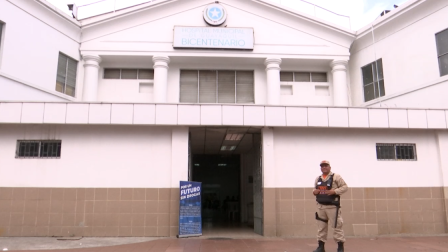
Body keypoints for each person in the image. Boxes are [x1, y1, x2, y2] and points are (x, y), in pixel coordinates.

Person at [312, 160, 348, 252]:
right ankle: (321, 247)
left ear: (329, 167)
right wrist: (314, 192)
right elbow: (315, 189)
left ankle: (340, 247)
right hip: (321, 207)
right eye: (322, 166)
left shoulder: (336, 177)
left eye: (326, 166)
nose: (324, 167)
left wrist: (334, 191)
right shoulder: (318, 178)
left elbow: (344, 187)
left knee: (337, 227)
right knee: (321, 228)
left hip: (332, 207)